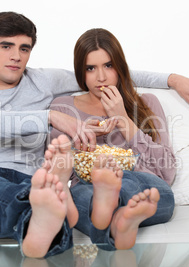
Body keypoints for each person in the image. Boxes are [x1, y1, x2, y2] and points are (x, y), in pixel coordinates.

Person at [0, 11, 189, 258]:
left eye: (24, 48)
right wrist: (50, 117)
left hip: (34, 182)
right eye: (6, 46)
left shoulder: (40, 82)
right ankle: (41, 221)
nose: (16, 56)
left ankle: (47, 226)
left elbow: (108, 72)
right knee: (4, 194)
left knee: (48, 197)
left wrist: (173, 80)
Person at [49, 28, 178, 251]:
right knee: (80, 196)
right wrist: (80, 140)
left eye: (108, 65)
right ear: (81, 72)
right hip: (89, 185)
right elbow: (57, 172)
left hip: (140, 181)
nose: (101, 77)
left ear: (120, 66)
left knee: (162, 196)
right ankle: (118, 221)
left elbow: (166, 172)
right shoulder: (64, 107)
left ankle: (111, 215)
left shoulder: (147, 103)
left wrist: (124, 120)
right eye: (91, 68)